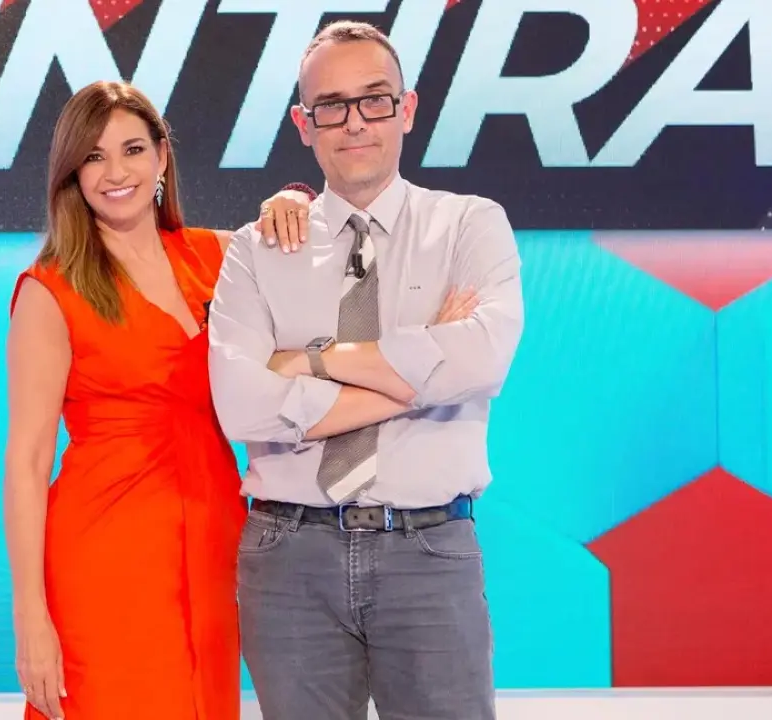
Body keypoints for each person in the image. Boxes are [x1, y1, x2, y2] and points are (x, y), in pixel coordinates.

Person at [207, 20, 525, 720]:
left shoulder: (470, 225)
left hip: (429, 548)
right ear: (304, 123)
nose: (355, 122)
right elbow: (242, 406)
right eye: (331, 105)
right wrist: (419, 374)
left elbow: (480, 361)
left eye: (375, 100)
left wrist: (310, 360)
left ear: (406, 109)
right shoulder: (258, 250)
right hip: (289, 557)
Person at [2, 80, 314, 720]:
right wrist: (30, 617)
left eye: (133, 149)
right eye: (93, 157)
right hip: (105, 553)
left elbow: (314, 251)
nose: (116, 173)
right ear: (72, 175)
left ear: (162, 157)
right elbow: (27, 463)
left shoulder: (217, 256)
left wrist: (294, 198)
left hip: (214, 541)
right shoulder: (49, 290)